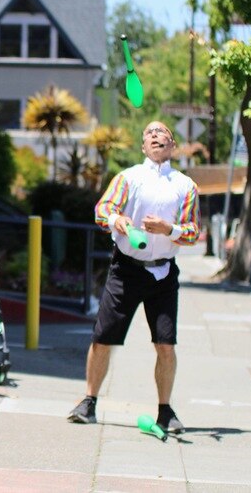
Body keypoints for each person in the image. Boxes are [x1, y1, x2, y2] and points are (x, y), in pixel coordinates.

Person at [67, 121, 200, 434]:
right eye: (148, 134)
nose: (154, 136)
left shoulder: (185, 185)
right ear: (143, 147)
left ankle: (165, 412)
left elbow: (193, 233)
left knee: (166, 344)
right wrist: (119, 220)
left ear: (173, 144)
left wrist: (170, 230)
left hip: (164, 273)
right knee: (103, 339)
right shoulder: (128, 178)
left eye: (161, 132)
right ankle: (88, 402)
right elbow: (102, 209)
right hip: (126, 269)